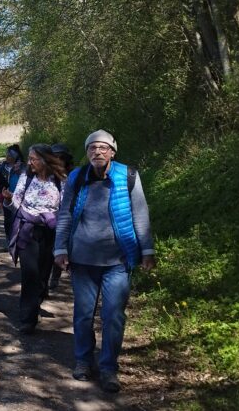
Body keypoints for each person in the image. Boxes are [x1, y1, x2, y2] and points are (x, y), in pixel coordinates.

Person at [54, 130, 156, 393]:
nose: (97, 152)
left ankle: (109, 367)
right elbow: (65, 214)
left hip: (118, 261)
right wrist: (60, 249)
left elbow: (140, 213)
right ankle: (83, 361)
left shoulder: (128, 176)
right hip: (82, 260)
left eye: (102, 148)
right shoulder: (77, 177)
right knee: (83, 315)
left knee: (113, 316)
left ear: (112, 152)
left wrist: (147, 250)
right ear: (87, 152)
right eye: (92, 148)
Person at [1, 144, 66, 334]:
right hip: (27, 230)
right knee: (30, 273)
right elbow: (16, 204)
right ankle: (27, 319)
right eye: (29, 159)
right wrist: (8, 199)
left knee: (43, 274)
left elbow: (65, 209)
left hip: (49, 232)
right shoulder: (26, 177)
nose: (29, 162)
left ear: (45, 160)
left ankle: (36, 302)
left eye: (33, 159)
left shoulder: (60, 180)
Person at [48, 143, 75, 289]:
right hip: (49, 218)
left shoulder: (74, 176)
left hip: (69, 217)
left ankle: (58, 274)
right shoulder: (46, 175)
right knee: (51, 248)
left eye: (60, 157)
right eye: (55, 157)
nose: (58, 160)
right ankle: (49, 278)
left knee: (65, 247)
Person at [1, 144, 25, 240]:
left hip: (19, 198)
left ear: (15, 156)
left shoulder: (22, 167)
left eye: (9, 155)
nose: (7, 157)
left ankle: (16, 239)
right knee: (7, 220)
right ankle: (9, 239)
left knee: (16, 219)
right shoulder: (3, 166)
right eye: (7, 154)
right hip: (6, 197)